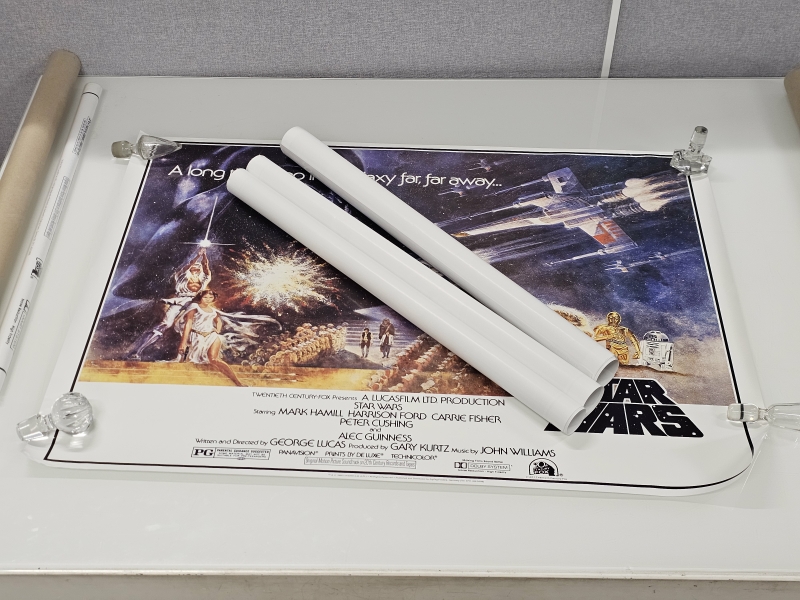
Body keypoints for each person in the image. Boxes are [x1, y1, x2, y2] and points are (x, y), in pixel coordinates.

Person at [130, 247, 212, 360]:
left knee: (196, 327)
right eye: (194, 268)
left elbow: (206, 266)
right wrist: (198, 256)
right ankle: (138, 351)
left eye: (198, 268)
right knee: (165, 324)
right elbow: (188, 265)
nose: (196, 269)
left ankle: (194, 356)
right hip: (179, 301)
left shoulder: (203, 279)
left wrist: (204, 255)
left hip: (193, 303)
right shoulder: (182, 276)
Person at [178, 289, 244, 387]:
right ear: (200, 297)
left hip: (212, 335)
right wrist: (183, 343)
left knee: (214, 359)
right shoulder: (194, 307)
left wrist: (217, 330)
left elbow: (218, 321)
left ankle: (237, 383)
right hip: (197, 336)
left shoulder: (213, 310)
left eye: (210, 297)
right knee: (193, 361)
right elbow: (188, 323)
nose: (208, 299)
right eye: (205, 297)